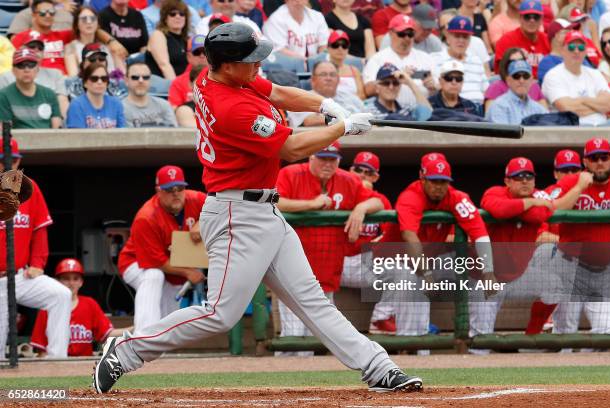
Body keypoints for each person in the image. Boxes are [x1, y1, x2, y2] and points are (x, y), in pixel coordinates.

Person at [93, 22, 422, 394]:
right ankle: (126, 349)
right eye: (250, 60)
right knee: (220, 314)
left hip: (263, 209)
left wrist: (326, 104)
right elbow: (291, 149)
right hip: (238, 216)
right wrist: (342, 128)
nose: (258, 65)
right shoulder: (230, 107)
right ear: (228, 65)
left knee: (312, 299)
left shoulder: (217, 76)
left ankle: (378, 367)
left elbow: (279, 92)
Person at [275, 142, 384, 355]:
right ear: (311, 157)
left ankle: (306, 386)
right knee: (294, 338)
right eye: (322, 158)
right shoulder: (291, 173)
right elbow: (273, 201)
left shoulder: (348, 179)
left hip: (327, 271)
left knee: (319, 341)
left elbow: (377, 203)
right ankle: (281, 386)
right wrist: (309, 205)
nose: (327, 163)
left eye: (332, 159)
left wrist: (361, 208)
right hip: (291, 272)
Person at [392, 158, 493, 349]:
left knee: (476, 278)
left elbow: (479, 233)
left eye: (443, 181)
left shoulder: (456, 197)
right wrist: (428, 275)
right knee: (411, 280)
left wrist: (488, 270)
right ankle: (408, 345)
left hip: (429, 259)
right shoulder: (410, 196)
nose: (439, 186)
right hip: (393, 261)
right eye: (434, 181)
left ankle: (478, 346)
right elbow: (409, 236)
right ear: (423, 179)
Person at [474, 157, 555, 352]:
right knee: (479, 344)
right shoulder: (494, 192)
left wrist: (520, 206)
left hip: (520, 276)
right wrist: (530, 202)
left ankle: (531, 341)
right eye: (518, 177)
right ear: (507, 181)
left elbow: (539, 215)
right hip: (487, 277)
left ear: (535, 181)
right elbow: (499, 209)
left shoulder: (542, 195)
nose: (525, 180)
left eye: (529, 176)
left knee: (556, 284)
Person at [0, 139, 71, 359]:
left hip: (21, 276)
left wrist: (39, 264)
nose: (11, 163)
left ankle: (57, 360)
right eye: (5, 160)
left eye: (16, 159)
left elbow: (40, 228)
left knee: (61, 294)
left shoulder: (29, 188)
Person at [117, 165, 206, 331]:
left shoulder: (196, 199)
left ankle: (158, 348)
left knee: (168, 320)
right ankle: (143, 337)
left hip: (173, 266)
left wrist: (202, 222)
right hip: (135, 263)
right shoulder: (146, 217)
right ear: (158, 191)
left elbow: (220, 209)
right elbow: (156, 262)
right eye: (169, 189)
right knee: (153, 276)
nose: (175, 193)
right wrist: (188, 272)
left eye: (180, 188)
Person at [547, 138, 610, 338]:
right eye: (594, 158)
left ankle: (586, 361)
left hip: (605, 269)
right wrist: (578, 189)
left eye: (604, 157)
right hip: (570, 267)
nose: (599, 162)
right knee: (565, 334)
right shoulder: (571, 181)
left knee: (607, 332)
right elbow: (551, 210)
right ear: (585, 161)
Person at [525, 149, 582, 336]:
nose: (570, 175)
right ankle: (546, 319)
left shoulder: (589, 194)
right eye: (565, 171)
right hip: (558, 263)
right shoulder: (546, 195)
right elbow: (540, 237)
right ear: (556, 173)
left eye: (574, 170)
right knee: (548, 251)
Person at [341, 151, 396, 335]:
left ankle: (381, 319)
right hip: (334, 262)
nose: (362, 175)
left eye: (368, 172)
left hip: (360, 265)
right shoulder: (340, 193)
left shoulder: (382, 201)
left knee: (403, 269)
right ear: (350, 170)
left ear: (375, 177)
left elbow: (389, 236)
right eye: (358, 170)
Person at [30, 258, 125, 357]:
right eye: (66, 278)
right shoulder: (46, 307)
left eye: (75, 279)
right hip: (57, 363)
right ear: (57, 282)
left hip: (83, 365)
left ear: (81, 282)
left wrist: (135, 329)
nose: (71, 283)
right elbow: (41, 350)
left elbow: (107, 333)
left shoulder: (90, 304)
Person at [12, 0, 126, 75]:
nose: (48, 15)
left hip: (63, 81)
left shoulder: (63, 36)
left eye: (51, 12)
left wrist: (111, 41)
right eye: (42, 12)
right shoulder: (21, 37)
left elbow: (88, 27)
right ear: (33, 15)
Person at [363, 15, 436, 110]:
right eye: (402, 34)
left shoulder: (426, 58)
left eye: (410, 34)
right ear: (390, 33)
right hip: (391, 113)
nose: (407, 38)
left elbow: (441, 88)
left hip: (423, 112)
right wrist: (394, 77)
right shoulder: (378, 58)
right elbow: (368, 90)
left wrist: (433, 87)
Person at [542, 31, 610, 126]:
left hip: (602, 126)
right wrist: (599, 106)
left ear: (585, 52)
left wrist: (583, 100)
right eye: (571, 47)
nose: (576, 51)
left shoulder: (595, 73)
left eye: (581, 48)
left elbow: (609, 104)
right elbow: (567, 108)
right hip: (574, 130)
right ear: (562, 50)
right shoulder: (553, 75)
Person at [287, 61, 365, 127]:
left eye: (332, 75)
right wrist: (350, 119)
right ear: (313, 80)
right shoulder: (301, 98)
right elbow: (309, 121)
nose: (328, 78)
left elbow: (367, 119)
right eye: (323, 74)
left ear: (338, 79)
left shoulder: (352, 98)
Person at [432, 16, 489, 105]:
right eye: (457, 36)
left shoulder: (476, 60)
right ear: (448, 37)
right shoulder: (435, 59)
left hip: (477, 110)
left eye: (465, 37)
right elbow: (435, 88)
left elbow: (486, 92)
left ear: (470, 39)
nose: (461, 40)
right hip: (450, 109)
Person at [0, 48, 62, 129]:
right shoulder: (4, 95)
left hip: (47, 140)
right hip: (18, 140)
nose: (26, 70)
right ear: (13, 70)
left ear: (37, 69)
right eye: (21, 65)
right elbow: (5, 131)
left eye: (31, 65)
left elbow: (56, 129)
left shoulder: (49, 94)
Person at [494, 0, 550, 78]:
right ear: (520, 19)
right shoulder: (506, 40)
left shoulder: (548, 40)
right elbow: (502, 72)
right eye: (527, 17)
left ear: (541, 20)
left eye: (536, 17)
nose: (532, 21)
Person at [485, 47, 547, 112]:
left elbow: (544, 115)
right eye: (512, 62)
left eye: (521, 60)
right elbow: (490, 117)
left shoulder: (534, 86)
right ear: (505, 64)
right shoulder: (496, 87)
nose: (517, 64)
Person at [486, 60, 548, 124]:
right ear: (508, 80)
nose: (521, 80)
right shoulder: (499, 106)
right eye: (516, 76)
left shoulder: (538, 109)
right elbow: (502, 133)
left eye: (526, 76)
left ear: (531, 80)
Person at [65, 6, 122, 77]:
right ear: (76, 24)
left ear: (97, 23)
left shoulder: (110, 46)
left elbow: (122, 74)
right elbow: (73, 78)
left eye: (93, 18)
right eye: (84, 19)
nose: (89, 22)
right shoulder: (71, 47)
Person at [263, 0, 329, 60]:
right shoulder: (275, 20)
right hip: (286, 68)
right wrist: (307, 62)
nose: (297, 1)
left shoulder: (317, 17)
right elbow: (280, 50)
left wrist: (318, 64)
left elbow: (323, 45)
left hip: (316, 66)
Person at [364, 63, 432, 121]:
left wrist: (409, 81)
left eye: (395, 83)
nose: (391, 87)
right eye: (386, 83)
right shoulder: (368, 112)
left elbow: (428, 115)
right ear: (376, 87)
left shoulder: (407, 108)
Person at [66, 63, 126, 128]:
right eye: (94, 78)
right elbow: (77, 136)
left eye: (104, 78)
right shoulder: (77, 105)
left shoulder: (116, 103)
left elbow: (123, 133)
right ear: (85, 83)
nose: (100, 82)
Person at [145, 0, 189, 81]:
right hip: (162, 87)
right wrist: (177, 88)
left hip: (184, 85)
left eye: (182, 14)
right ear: (165, 18)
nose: (178, 16)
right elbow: (164, 65)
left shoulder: (187, 39)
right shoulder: (158, 35)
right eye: (173, 14)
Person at [122, 62, 177, 127]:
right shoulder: (120, 108)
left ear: (150, 80)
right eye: (135, 77)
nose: (141, 80)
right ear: (126, 80)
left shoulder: (164, 105)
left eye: (146, 77)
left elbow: (174, 133)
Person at [168, 34, 208, 110]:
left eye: (205, 52)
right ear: (188, 56)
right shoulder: (178, 82)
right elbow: (174, 110)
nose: (202, 56)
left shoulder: (222, 78)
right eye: (197, 52)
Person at [325, 30, 366, 99]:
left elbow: (362, 95)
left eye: (344, 45)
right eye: (336, 45)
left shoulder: (354, 70)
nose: (340, 48)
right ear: (328, 48)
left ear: (348, 49)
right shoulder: (322, 70)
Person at [537, 18, 578, 84]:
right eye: (568, 32)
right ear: (557, 36)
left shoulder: (579, 56)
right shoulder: (547, 63)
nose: (573, 35)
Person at [195, 0, 262, 37]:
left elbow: (262, 43)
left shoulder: (247, 22)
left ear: (236, 2)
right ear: (211, 3)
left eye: (230, 0)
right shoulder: (204, 23)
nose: (226, 4)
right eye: (221, 1)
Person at [7, 0, 73, 37]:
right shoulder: (26, 13)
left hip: (63, 53)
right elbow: (15, 39)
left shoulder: (67, 14)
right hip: (35, 50)